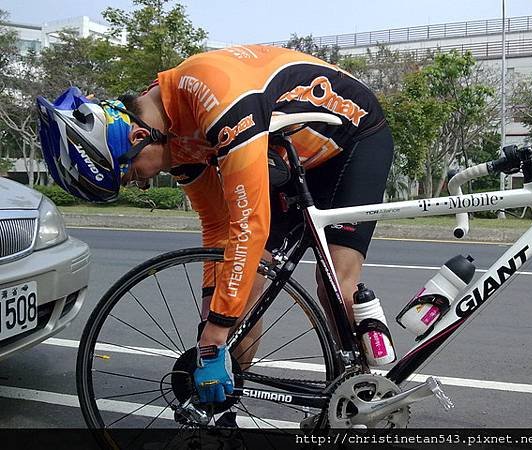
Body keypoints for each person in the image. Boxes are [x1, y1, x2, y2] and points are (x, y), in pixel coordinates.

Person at [37, 44, 394, 411]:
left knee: (335, 282)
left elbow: (249, 224)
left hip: (354, 139)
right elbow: (218, 229)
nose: (141, 184)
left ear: (138, 138)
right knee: (244, 285)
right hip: (290, 153)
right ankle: (221, 412)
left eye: (129, 174)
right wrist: (212, 315)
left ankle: (369, 397)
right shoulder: (172, 136)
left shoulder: (219, 100)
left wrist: (216, 331)